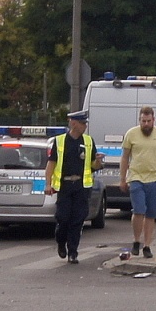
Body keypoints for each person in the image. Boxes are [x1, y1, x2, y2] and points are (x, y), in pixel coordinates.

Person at [44, 110, 104, 264]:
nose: (85, 126)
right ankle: (61, 241)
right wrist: (48, 184)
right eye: (82, 123)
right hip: (64, 186)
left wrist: (98, 161)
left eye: (85, 124)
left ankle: (73, 252)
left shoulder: (89, 142)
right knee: (63, 218)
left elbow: (93, 166)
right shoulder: (60, 141)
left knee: (77, 220)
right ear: (74, 123)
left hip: (81, 186)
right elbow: (51, 164)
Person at [119, 106, 156, 259]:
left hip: (155, 179)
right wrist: (122, 179)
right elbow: (125, 158)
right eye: (143, 121)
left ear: (153, 120)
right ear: (139, 120)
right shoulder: (131, 134)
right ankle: (136, 240)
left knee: (151, 214)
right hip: (136, 177)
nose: (146, 124)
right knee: (139, 210)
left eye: (149, 121)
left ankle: (147, 245)